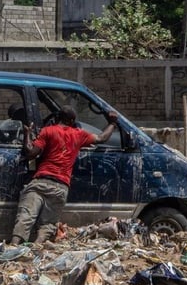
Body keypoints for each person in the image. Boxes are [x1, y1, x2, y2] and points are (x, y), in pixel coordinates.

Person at [10, 105, 119, 246]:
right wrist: (112, 123)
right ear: (72, 121)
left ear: (58, 118)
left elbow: (30, 153)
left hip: (40, 182)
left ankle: (13, 246)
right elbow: (101, 138)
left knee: (25, 216)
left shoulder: (48, 131)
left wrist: (27, 134)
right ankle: (38, 245)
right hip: (60, 187)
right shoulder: (79, 134)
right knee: (48, 223)